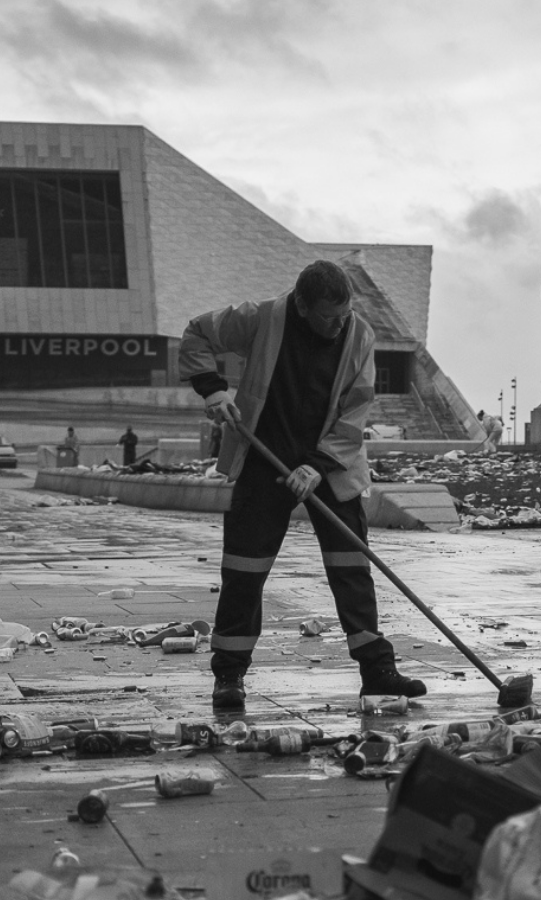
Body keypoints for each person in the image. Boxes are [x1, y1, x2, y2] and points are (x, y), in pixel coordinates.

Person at [179, 259, 425, 711]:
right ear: (302, 305)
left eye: (345, 314)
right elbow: (197, 332)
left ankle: (377, 671)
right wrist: (212, 388)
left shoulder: (360, 334)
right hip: (263, 456)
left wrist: (317, 465)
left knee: (351, 566)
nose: (339, 325)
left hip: (332, 463)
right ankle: (229, 674)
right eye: (329, 317)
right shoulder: (261, 318)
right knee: (244, 569)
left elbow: (355, 410)